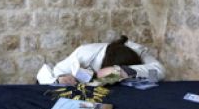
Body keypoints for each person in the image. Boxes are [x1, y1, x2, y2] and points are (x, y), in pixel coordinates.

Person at [36, 35, 165, 85]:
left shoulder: (138, 51)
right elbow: (47, 74)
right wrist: (59, 79)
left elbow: (160, 72)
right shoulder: (84, 54)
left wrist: (120, 72)